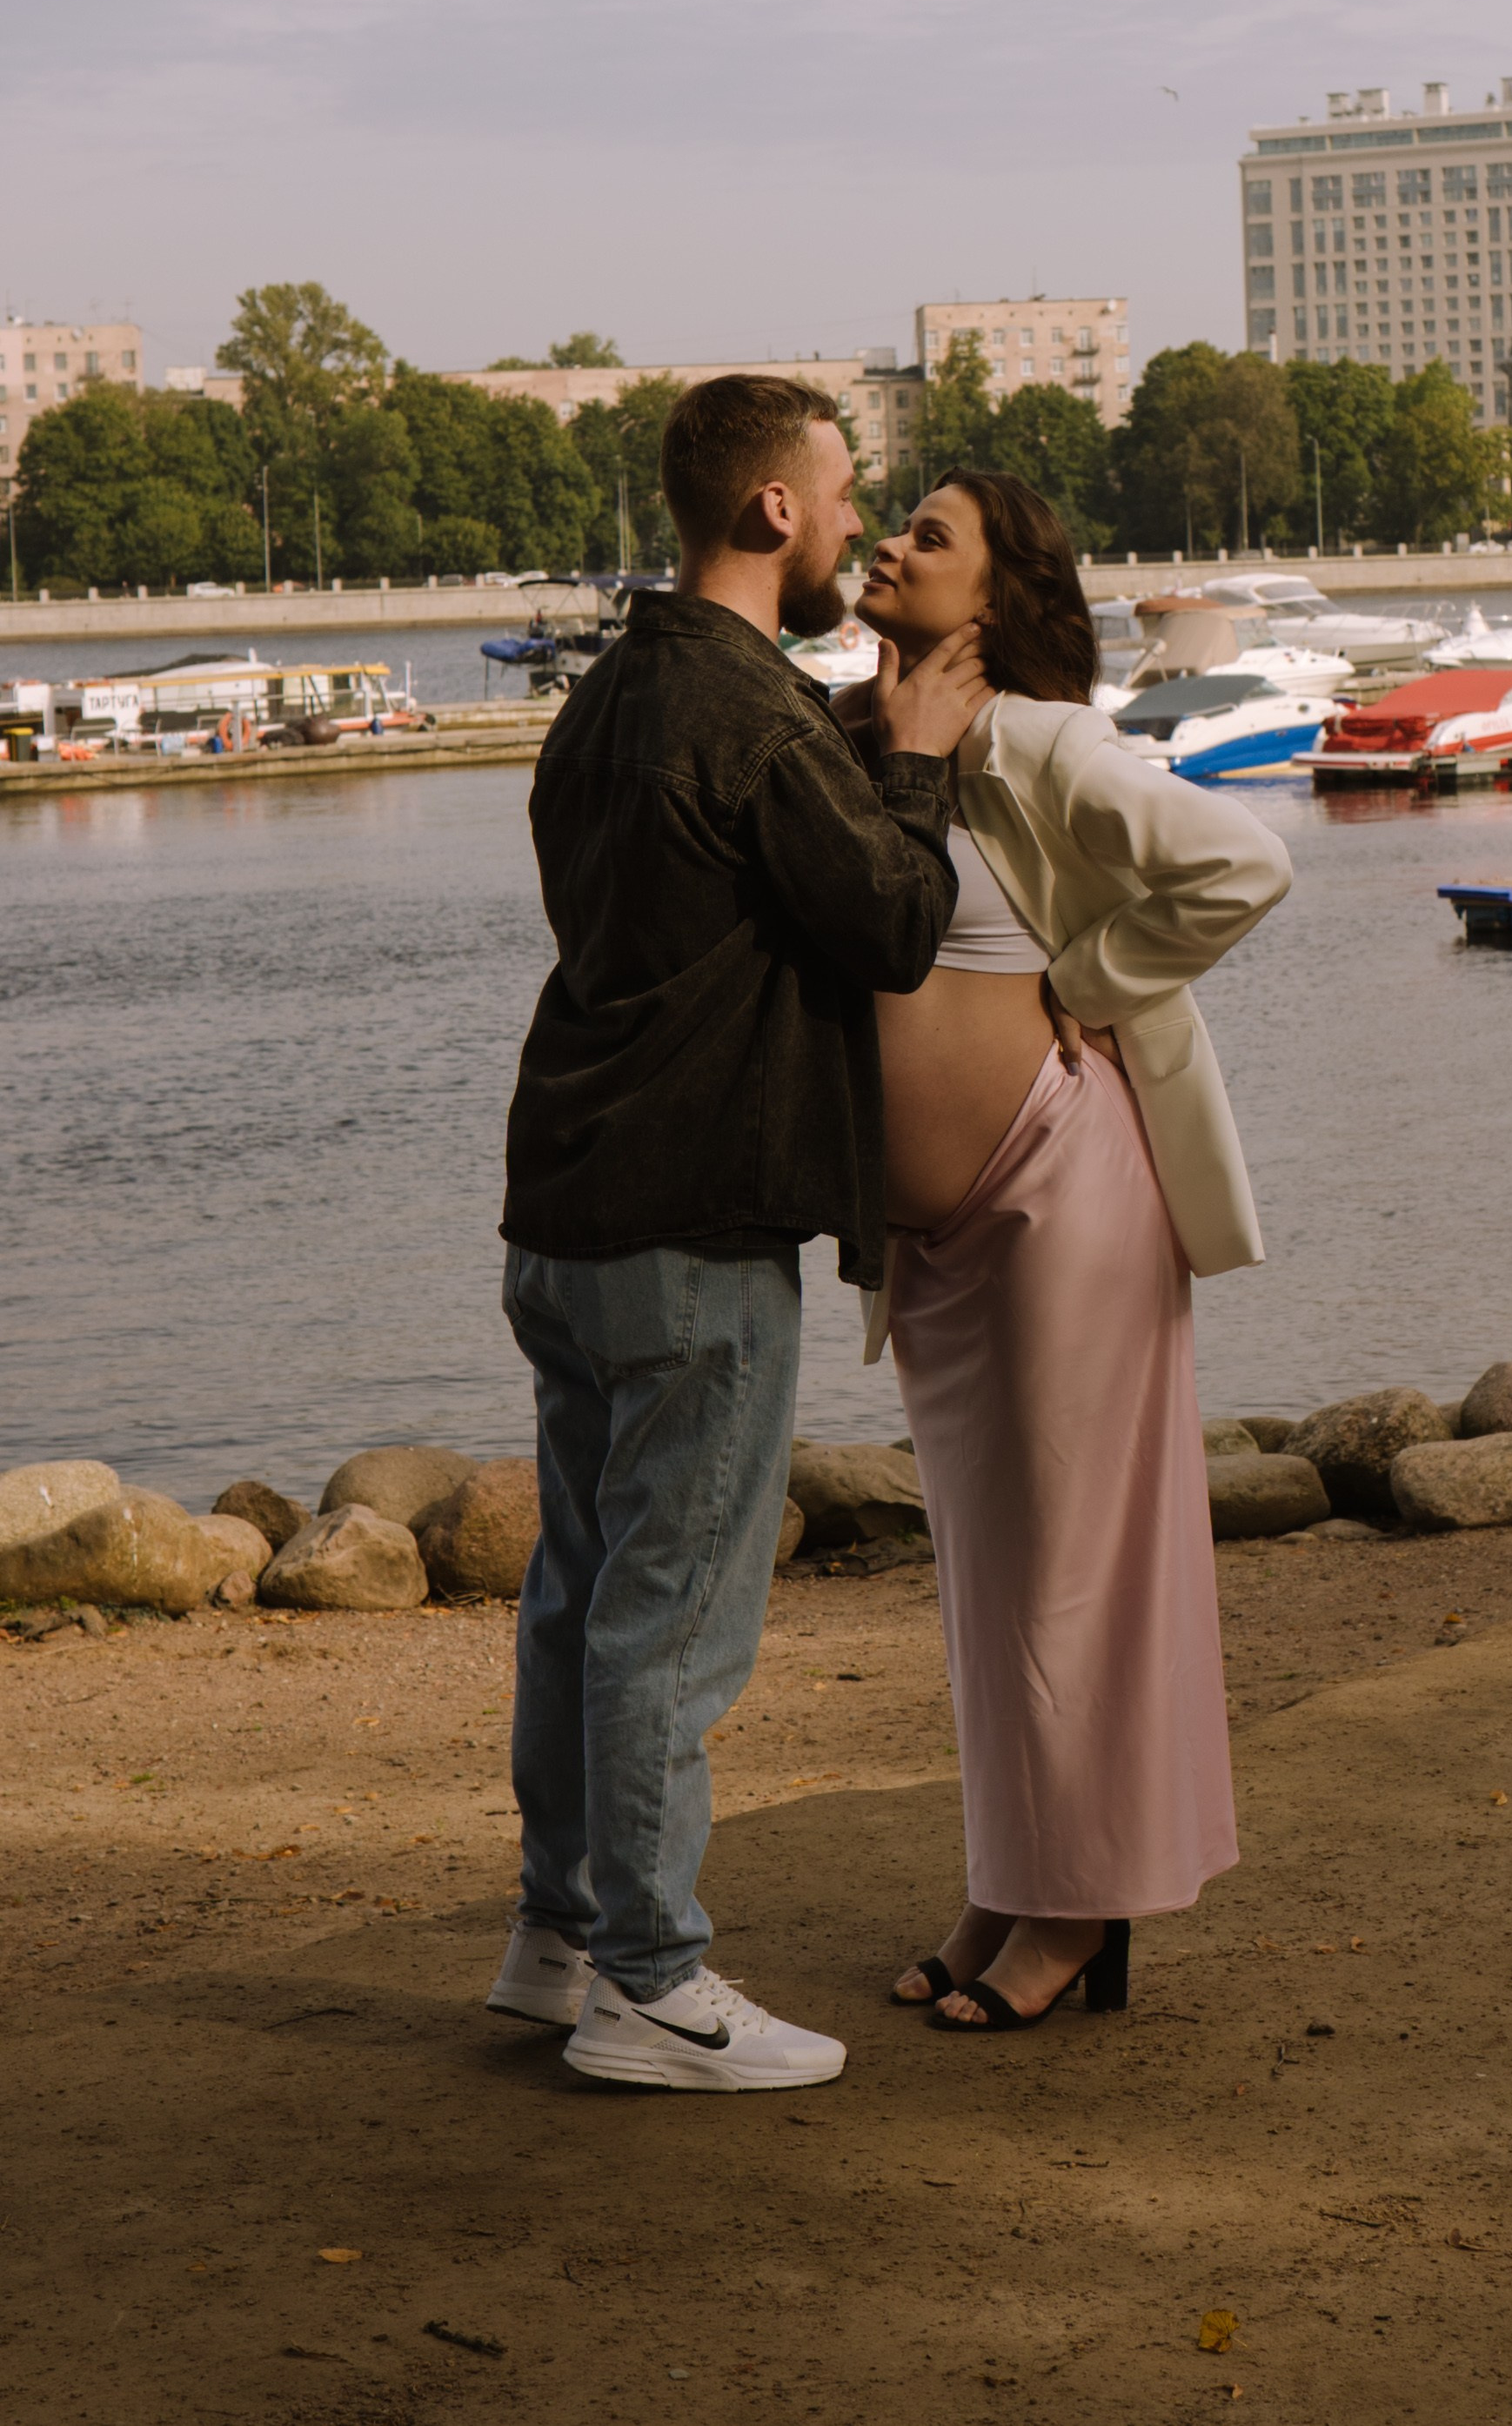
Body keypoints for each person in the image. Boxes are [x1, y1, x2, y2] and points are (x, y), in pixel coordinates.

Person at [492, 374, 989, 2092]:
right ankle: (649, 1982)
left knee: (578, 1594)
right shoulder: (753, 711)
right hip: (694, 1217)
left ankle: (558, 1940)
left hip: (563, 1204)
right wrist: (916, 761)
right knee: (670, 1622)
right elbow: (896, 923)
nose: (859, 521)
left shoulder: (611, 692)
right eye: (846, 493)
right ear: (774, 511)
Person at [842, 470, 1291, 2034]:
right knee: (989, 1573)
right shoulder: (884, 743)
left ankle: (1083, 1913)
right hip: (950, 1243)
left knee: (1076, 1573)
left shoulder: (1039, 738)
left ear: (1001, 599)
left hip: (1062, 1191)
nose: (891, 544)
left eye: (932, 537)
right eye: (894, 522)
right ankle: (1012, 1880)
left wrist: (1092, 976)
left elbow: (1242, 861)